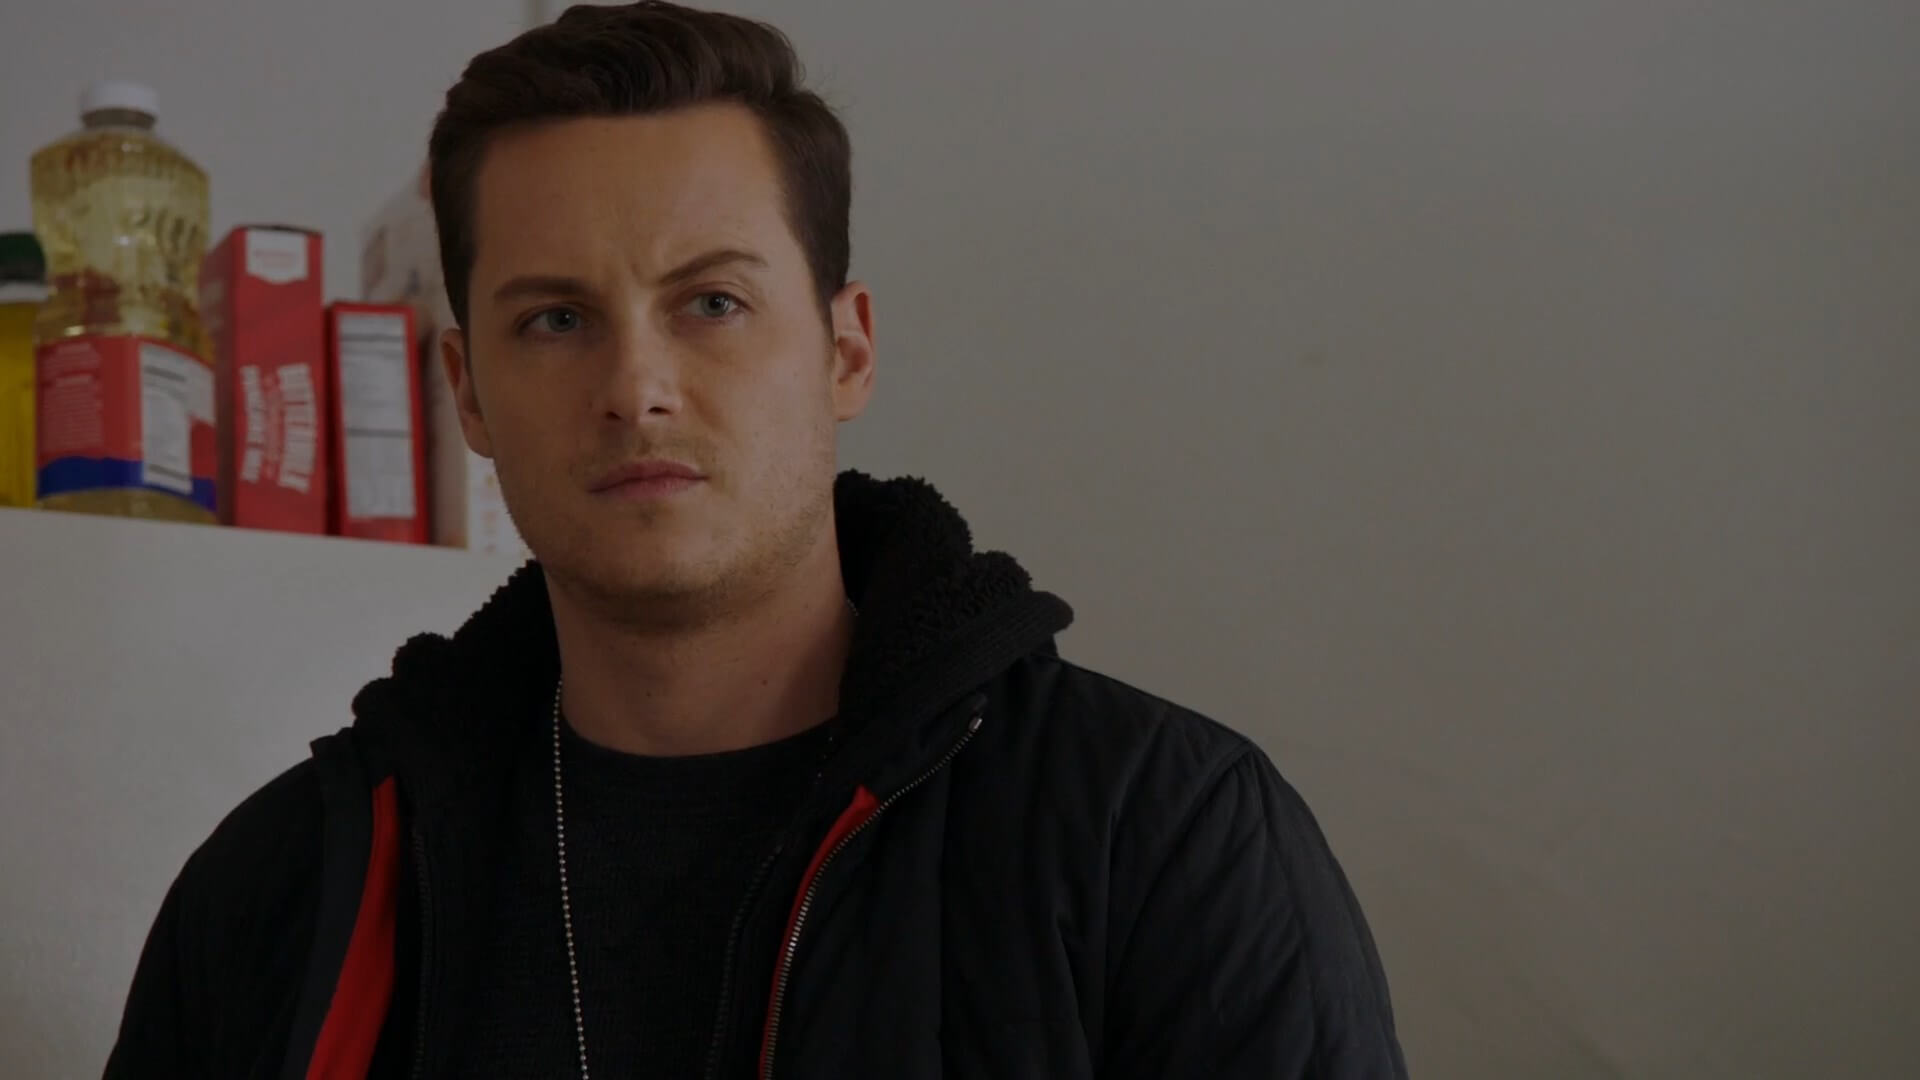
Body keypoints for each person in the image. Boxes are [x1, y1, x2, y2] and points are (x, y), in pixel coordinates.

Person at [104, 3, 1406, 1077]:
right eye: (555, 320)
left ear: (847, 351)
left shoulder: (1162, 834)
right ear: (468, 394)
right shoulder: (281, 891)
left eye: (713, 303)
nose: (637, 388)